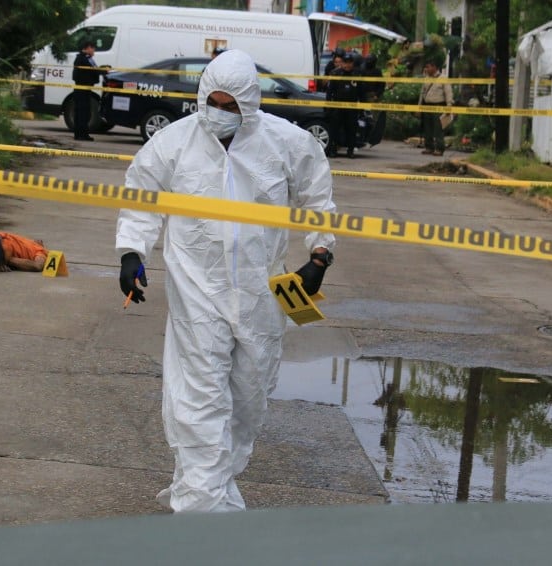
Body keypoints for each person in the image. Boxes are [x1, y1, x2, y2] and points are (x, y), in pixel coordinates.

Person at [115, 49, 337, 513]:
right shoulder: (174, 142)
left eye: (230, 103)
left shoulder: (286, 143)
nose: (219, 111)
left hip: (262, 294)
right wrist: (133, 253)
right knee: (199, 399)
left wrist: (320, 254)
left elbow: (317, 195)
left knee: (247, 401)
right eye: (212, 100)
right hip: (196, 289)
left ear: (251, 102)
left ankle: (206, 486)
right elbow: (140, 195)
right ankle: (204, 512)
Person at [325, 51, 365, 158]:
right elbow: (329, 92)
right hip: (338, 107)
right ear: (342, 63)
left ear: (353, 63)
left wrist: (362, 109)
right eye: (345, 62)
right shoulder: (336, 73)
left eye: (350, 62)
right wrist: (328, 107)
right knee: (335, 129)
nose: (347, 65)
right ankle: (333, 149)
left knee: (351, 130)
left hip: (352, 107)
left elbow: (362, 93)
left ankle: (350, 150)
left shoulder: (357, 75)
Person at [418, 59, 453, 156]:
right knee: (427, 128)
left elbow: (448, 93)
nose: (426, 69)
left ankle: (439, 148)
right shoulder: (427, 78)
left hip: (438, 106)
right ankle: (429, 147)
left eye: (428, 67)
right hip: (427, 106)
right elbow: (422, 93)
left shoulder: (443, 78)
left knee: (438, 129)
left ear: (434, 67)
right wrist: (419, 106)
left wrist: (448, 107)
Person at [72, 39, 104, 141]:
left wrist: (102, 70)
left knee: (85, 112)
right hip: (81, 90)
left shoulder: (88, 58)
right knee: (82, 112)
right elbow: (90, 71)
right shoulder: (81, 59)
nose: (94, 50)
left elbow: (94, 69)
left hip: (86, 89)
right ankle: (81, 134)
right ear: (88, 48)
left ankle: (83, 133)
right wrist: (100, 72)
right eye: (93, 48)